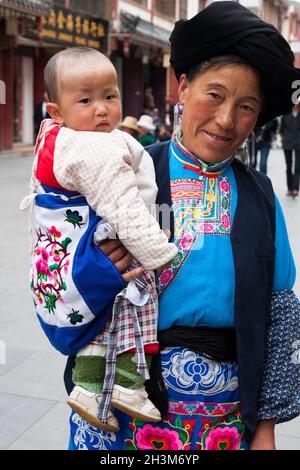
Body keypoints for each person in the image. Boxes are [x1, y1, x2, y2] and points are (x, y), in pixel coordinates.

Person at [65, 2, 300, 451]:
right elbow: (58, 275)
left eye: (246, 106)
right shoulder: (125, 173)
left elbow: (281, 312)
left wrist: (266, 429)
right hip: (120, 403)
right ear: (183, 87)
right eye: (214, 95)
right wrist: (96, 268)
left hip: (225, 418)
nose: (227, 120)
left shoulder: (260, 196)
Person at [22, 47, 177, 432]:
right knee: (135, 306)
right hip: (101, 241)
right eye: (86, 100)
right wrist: (160, 252)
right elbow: (123, 208)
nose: (102, 109)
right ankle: (125, 383)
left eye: (110, 96)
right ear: (56, 111)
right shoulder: (93, 148)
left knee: (107, 320)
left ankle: (90, 389)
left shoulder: (54, 138)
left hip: (68, 253)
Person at [280, 102, 300, 197]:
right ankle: (290, 188)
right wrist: (283, 138)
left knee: (297, 167)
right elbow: (281, 128)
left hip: (298, 143)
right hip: (287, 142)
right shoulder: (286, 114)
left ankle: (296, 189)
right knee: (288, 166)